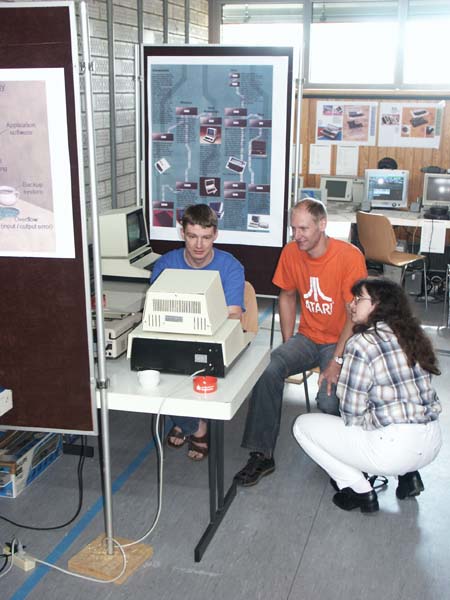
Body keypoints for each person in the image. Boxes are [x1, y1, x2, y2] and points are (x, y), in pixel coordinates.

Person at [234, 198, 367, 486]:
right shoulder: (291, 252)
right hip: (307, 337)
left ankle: (345, 456)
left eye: (304, 228)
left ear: (322, 224)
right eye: (293, 228)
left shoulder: (349, 257)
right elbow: (286, 295)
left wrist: (337, 360)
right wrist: (287, 342)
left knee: (328, 399)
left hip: (341, 341)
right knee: (268, 369)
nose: (297, 235)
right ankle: (262, 454)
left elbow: (354, 317)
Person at [293, 277, 442, 513]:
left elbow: (351, 413)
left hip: (393, 449)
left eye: (358, 299)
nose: (351, 304)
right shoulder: (413, 335)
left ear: (377, 304)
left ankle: (359, 490)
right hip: (432, 442)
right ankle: (409, 477)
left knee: (302, 426)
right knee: (388, 418)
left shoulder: (361, 343)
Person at [150, 203, 245, 460]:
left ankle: (186, 422)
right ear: (182, 233)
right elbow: (156, 307)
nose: (199, 245)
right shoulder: (166, 264)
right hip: (175, 338)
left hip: (214, 339)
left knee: (189, 367)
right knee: (155, 370)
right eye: (192, 236)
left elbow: (234, 314)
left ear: (216, 235)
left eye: (206, 237)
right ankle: (195, 425)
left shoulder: (230, 266)